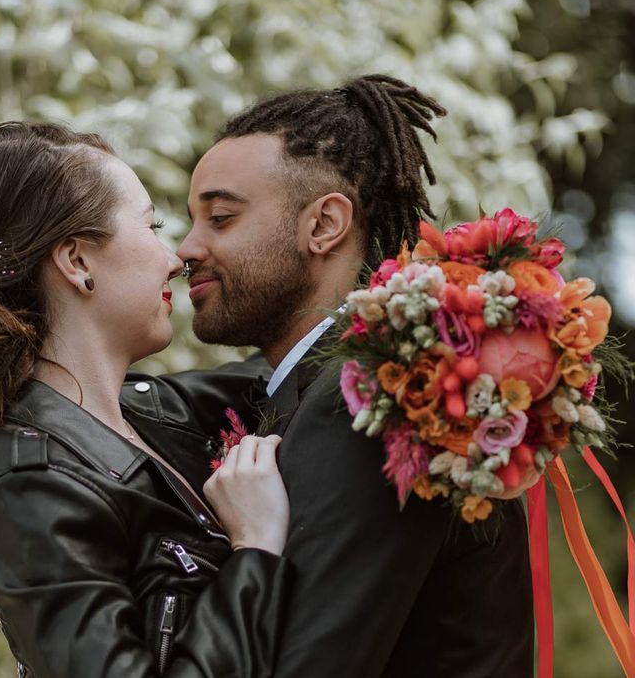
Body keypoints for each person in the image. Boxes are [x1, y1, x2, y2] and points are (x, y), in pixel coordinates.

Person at [176, 74, 535, 677]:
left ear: (323, 225)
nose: (186, 248)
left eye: (220, 217)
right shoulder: (337, 383)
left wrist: (250, 554)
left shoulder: (367, 400)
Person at [0, 121, 293, 678]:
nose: (175, 258)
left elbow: (301, 362)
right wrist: (255, 549)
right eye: (151, 226)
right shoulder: (30, 487)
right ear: (78, 261)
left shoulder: (161, 412)